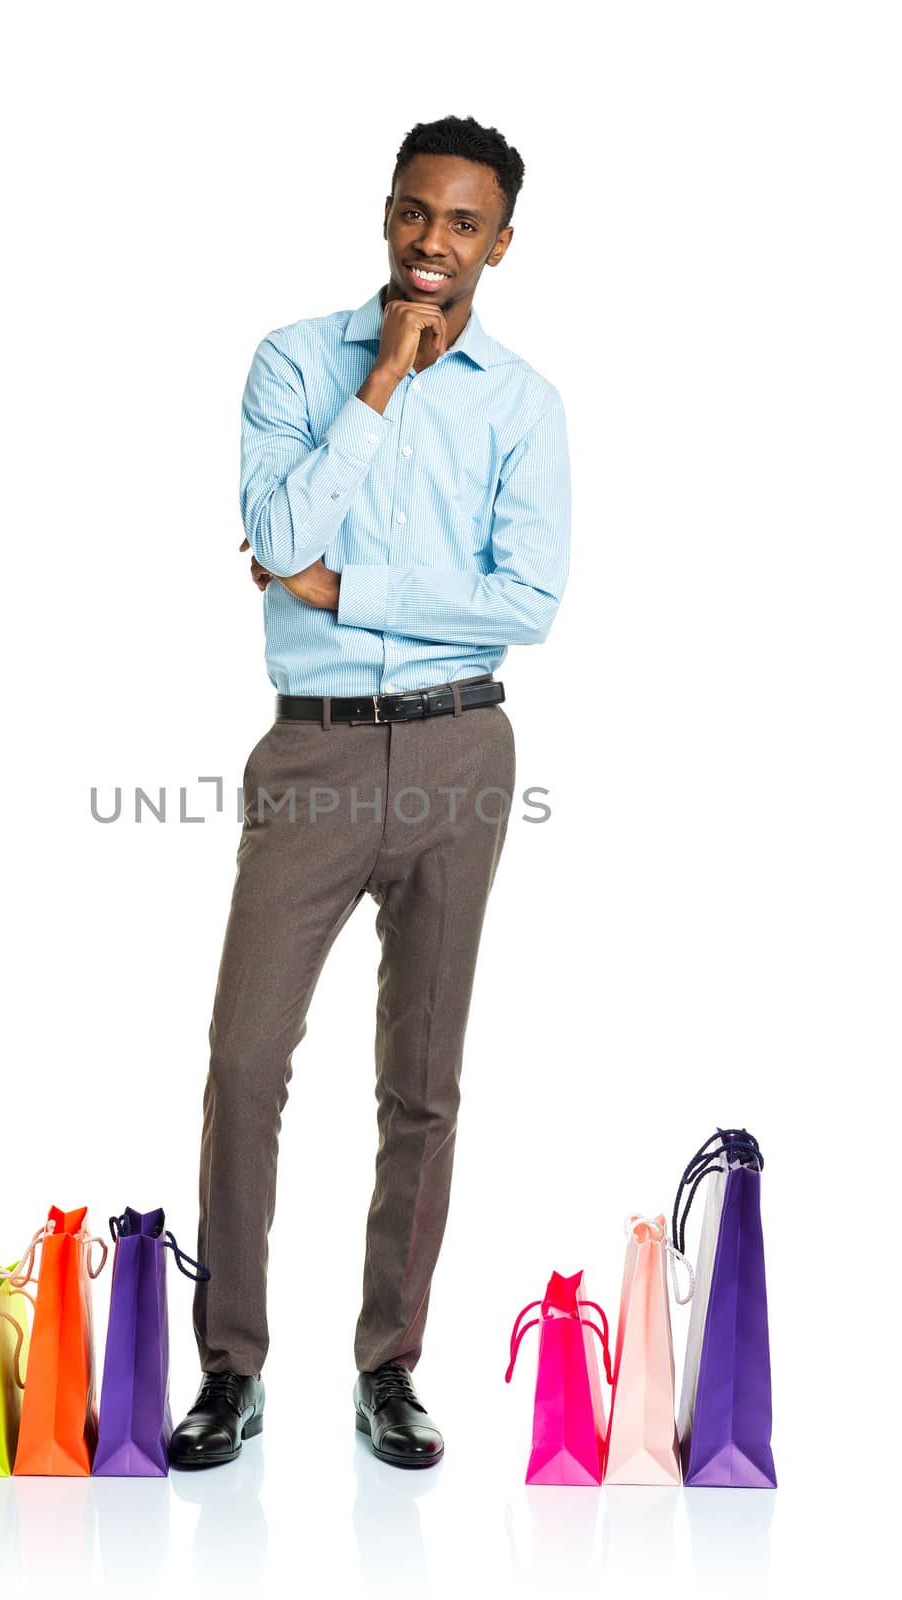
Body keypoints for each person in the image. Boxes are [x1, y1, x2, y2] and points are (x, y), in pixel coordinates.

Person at [168, 114, 571, 1471]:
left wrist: (346, 590)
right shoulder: (295, 362)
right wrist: (382, 381)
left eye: (460, 223)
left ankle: (388, 1367)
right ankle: (232, 1368)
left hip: (462, 751)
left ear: (498, 243)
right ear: (385, 215)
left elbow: (525, 604)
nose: (429, 241)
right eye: (412, 212)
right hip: (316, 752)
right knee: (243, 1058)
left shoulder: (525, 404)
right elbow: (281, 534)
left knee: (423, 1080)